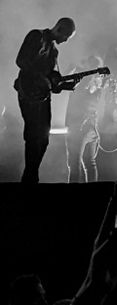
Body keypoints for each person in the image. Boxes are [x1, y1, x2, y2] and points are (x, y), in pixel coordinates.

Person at [14, 17, 77, 184]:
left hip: (42, 96)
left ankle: (30, 176)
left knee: (43, 138)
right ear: (60, 28)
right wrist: (40, 78)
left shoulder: (54, 51)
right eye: (66, 36)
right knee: (34, 136)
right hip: (28, 93)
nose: (65, 40)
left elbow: (51, 80)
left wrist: (61, 85)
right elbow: (21, 61)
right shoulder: (36, 36)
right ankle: (30, 178)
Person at [64, 55, 110, 184]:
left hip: (79, 127)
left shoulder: (84, 83)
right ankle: (92, 194)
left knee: (74, 164)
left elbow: (63, 83)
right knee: (90, 162)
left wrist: (73, 69)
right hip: (90, 127)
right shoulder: (98, 84)